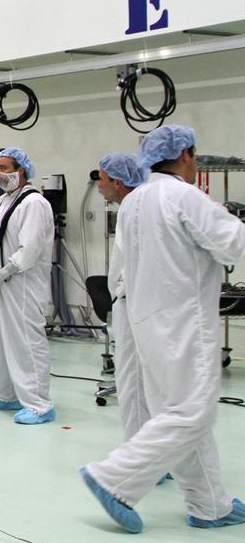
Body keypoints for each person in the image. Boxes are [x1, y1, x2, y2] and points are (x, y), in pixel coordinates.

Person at [82, 126, 245, 533]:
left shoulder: (135, 201)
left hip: (146, 322)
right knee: (192, 412)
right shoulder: (184, 196)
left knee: (181, 413)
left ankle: (209, 504)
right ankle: (114, 479)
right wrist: (230, 218)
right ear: (186, 154)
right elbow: (232, 246)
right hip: (183, 323)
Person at [0, 147, 56, 425]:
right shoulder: (3, 201)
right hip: (1, 284)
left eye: (6, 168)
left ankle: (39, 404)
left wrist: (3, 273)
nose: (0, 173)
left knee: (26, 342)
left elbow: (29, 250)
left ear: (22, 171)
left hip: (23, 284)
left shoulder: (34, 203)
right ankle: (6, 393)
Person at [96, 153, 162, 471]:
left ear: (118, 181)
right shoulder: (139, 205)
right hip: (140, 303)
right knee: (148, 384)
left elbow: (132, 262)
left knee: (133, 382)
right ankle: (153, 453)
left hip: (133, 304)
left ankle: (141, 458)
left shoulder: (133, 207)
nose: (99, 186)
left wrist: (122, 290)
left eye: (102, 180)